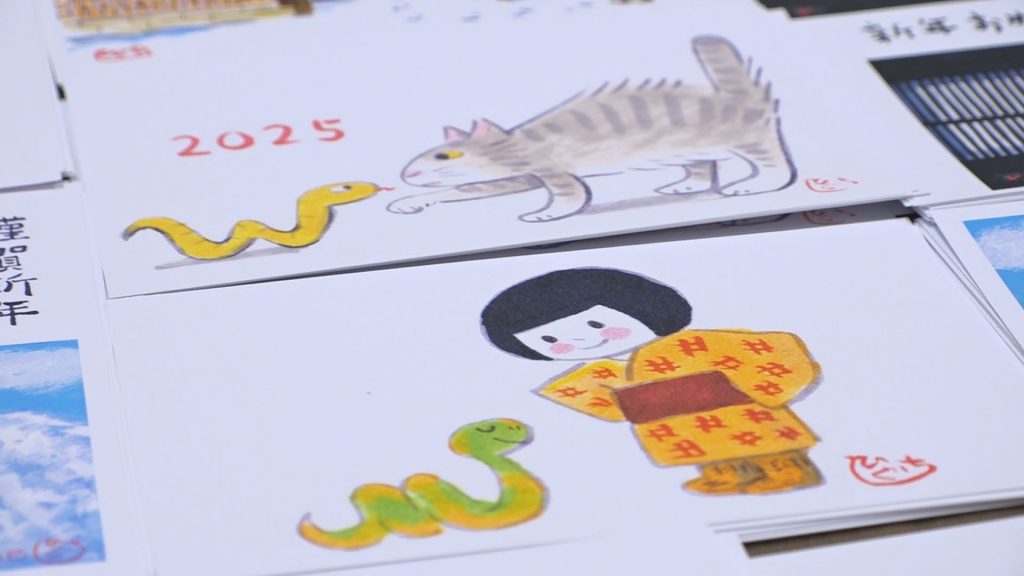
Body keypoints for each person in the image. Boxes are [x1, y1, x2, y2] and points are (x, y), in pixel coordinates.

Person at [481, 267, 823, 495]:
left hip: (737, 405)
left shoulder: (699, 343)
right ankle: (724, 474)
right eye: (550, 341)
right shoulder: (596, 372)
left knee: (763, 444)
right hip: (668, 421)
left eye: (596, 325)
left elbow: (771, 355)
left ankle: (787, 470)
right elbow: (605, 405)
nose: (582, 341)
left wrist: (762, 390)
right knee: (706, 448)